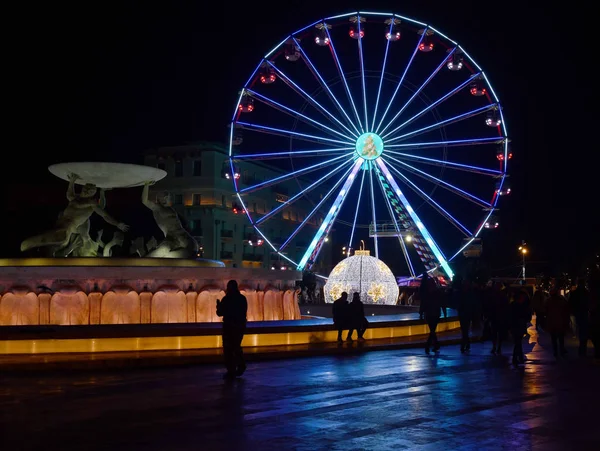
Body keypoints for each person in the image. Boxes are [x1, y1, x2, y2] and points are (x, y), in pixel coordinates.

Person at [142, 181, 199, 258]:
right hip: (172, 239)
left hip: (183, 237)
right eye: (164, 197)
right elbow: (144, 201)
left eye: (167, 197)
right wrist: (146, 185)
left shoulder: (170, 209)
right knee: (161, 253)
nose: (167, 199)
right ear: (160, 199)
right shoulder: (158, 209)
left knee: (193, 249)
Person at [216, 280, 248, 380]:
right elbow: (244, 312)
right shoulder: (242, 298)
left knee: (228, 348)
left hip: (229, 326)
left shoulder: (227, 299)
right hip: (239, 326)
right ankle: (241, 365)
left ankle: (231, 370)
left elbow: (220, 313)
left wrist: (219, 306)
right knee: (236, 346)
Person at [419, 275, 445, 354]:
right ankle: (434, 345)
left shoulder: (427, 293)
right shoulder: (437, 292)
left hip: (430, 313)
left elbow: (423, 303)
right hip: (435, 313)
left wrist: (421, 312)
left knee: (432, 330)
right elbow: (442, 303)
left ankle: (430, 345)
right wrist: (444, 313)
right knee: (432, 330)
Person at [509, 289, 532, 365]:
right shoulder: (523, 306)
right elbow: (528, 317)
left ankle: (517, 357)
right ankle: (517, 358)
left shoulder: (513, 305)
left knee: (517, 342)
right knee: (518, 342)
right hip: (518, 325)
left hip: (516, 325)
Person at [568, 278, 590, 356]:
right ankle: (583, 347)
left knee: (579, 328)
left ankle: (581, 347)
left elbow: (570, 303)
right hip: (584, 312)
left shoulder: (575, 293)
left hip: (576, 312)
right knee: (584, 329)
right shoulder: (586, 293)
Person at [546, 287, 570, 358]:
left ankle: (555, 351)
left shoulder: (548, 301)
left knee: (554, 339)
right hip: (560, 322)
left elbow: (544, 310)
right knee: (561, 338)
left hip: (552, 322)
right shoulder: (562, 300)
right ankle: (561, 350)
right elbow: (566, 310)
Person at [489, 282, 510, 355]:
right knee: (498, 333)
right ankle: (497, 346)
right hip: (499, 317)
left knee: (495, 333)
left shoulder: (494, 295)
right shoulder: (502, 296)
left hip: (497, 317)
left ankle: (496, 346)